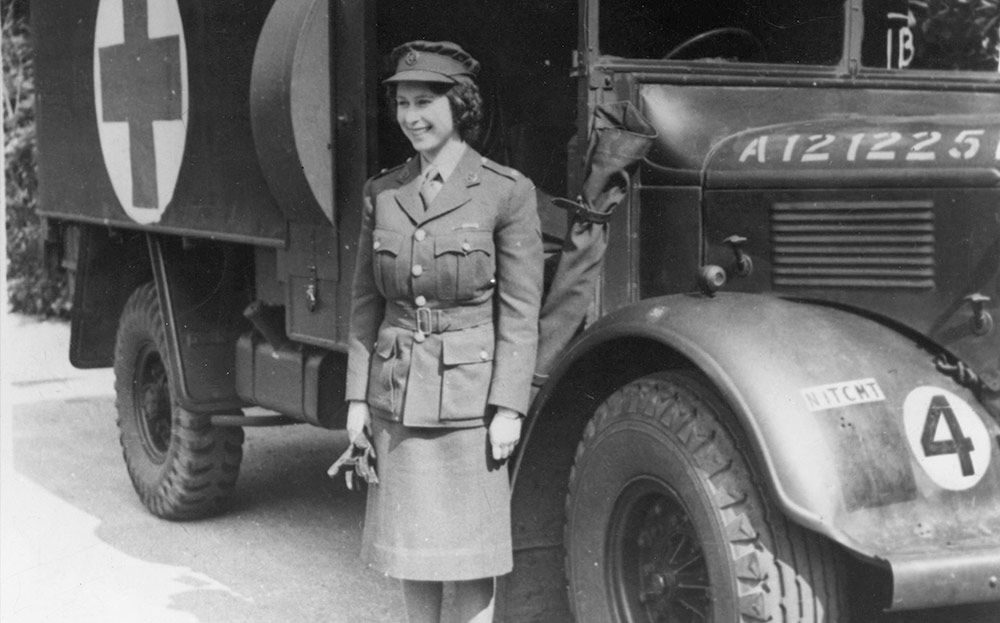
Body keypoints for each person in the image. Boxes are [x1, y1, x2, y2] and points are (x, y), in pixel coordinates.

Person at [338, 40, 543, 623]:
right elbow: (364, 302)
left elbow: (520, 311)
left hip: (469, 400)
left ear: (461, 106)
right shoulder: (383, 192)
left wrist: (509, 406)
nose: (411, 117)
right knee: (412, 554)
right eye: (402, 103)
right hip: (398, 394)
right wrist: (357, 400)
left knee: (472, 558)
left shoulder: (506, 191)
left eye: (424, 101)